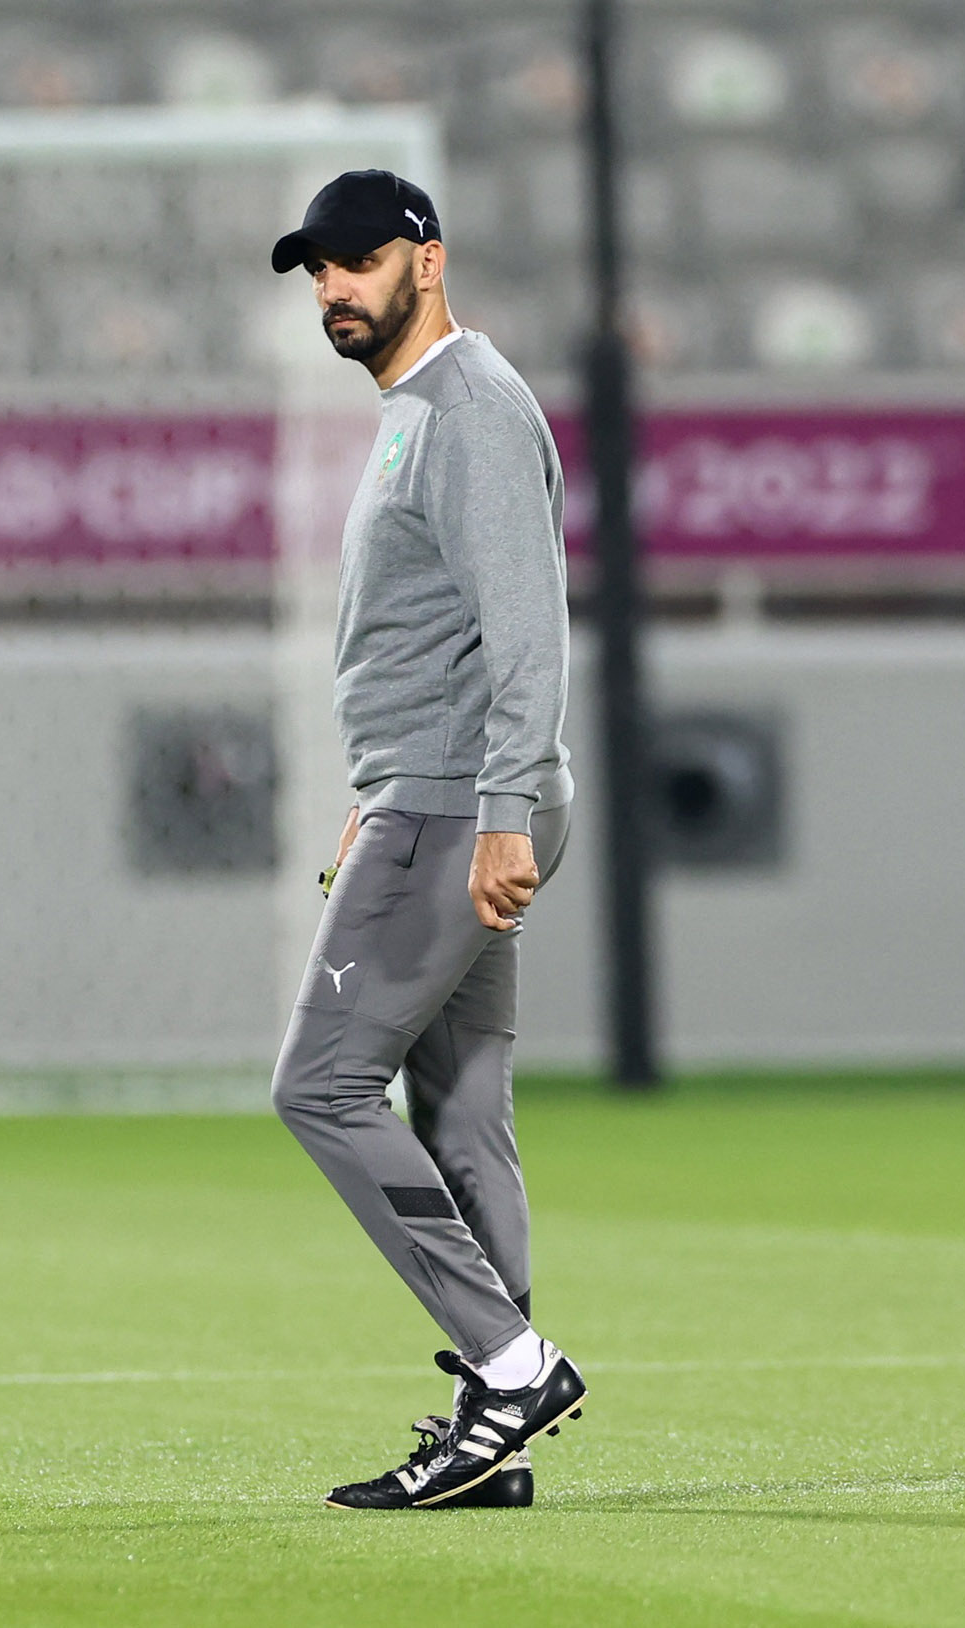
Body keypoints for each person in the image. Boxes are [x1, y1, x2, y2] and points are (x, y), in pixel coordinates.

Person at [267, 170, 587, 1510]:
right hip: (436, 791)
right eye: (317, 270)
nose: (334, 289)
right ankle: (493, 1427)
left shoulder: (467, 409)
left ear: (428, 258)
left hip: (464, 808)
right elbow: (435, 637)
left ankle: (511, 1362)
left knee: (323, 1088)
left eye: (355, 262)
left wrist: (497, 813)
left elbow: (525, 632)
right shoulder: (424, 412)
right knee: (458, 1110)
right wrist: (386, 782)